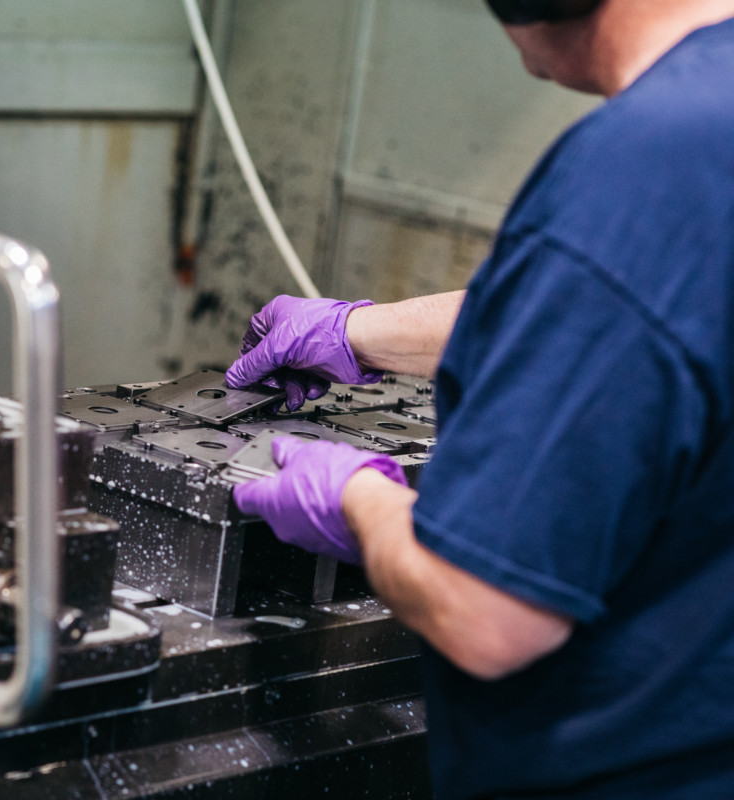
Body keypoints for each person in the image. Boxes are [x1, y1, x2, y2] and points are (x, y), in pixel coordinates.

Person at [225, 1, 734, 797]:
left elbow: (485, 619)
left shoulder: (643, 165)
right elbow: (637, 316)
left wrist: (363, 503)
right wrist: (361, 332)